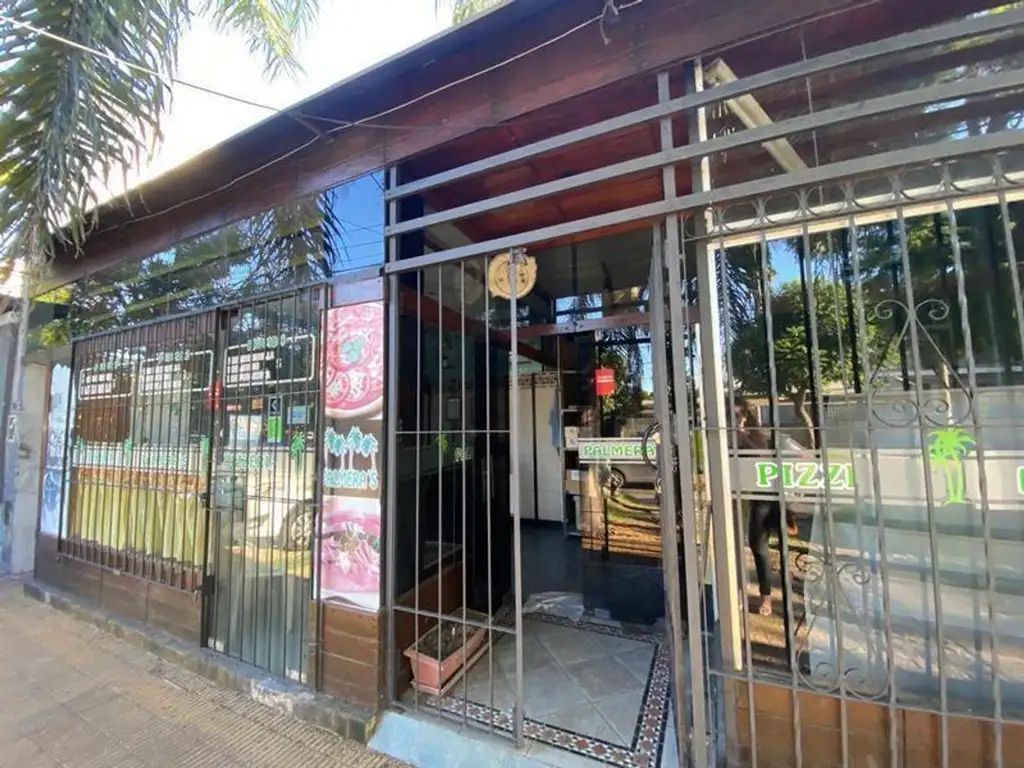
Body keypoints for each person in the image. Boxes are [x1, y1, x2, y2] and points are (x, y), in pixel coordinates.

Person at [733, 397, 802, 617]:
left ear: (745, 416)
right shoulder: (727, 437)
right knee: (756, 548)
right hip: (746, 498)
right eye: (730, 416)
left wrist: (741, 433)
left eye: (737, 415)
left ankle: (769, 595)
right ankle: (755, 594)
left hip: (768, 497)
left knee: (770, 548)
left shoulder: (756, 436)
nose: (733, 419)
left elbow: (759, 456)